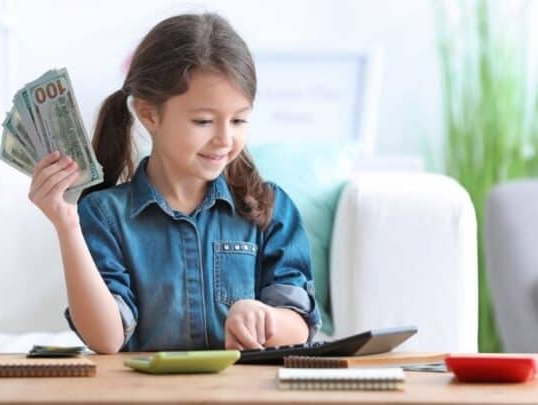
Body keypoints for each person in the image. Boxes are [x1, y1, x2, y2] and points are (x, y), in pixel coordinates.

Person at [27, 13, 321, 354]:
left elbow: (300, 323)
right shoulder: (104, 214)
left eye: (239, 119)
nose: (225, 139)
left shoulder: (269, 205)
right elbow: (106, 340)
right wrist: (67, 226)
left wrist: (262, 317)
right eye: (204, 121)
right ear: (150, 115)